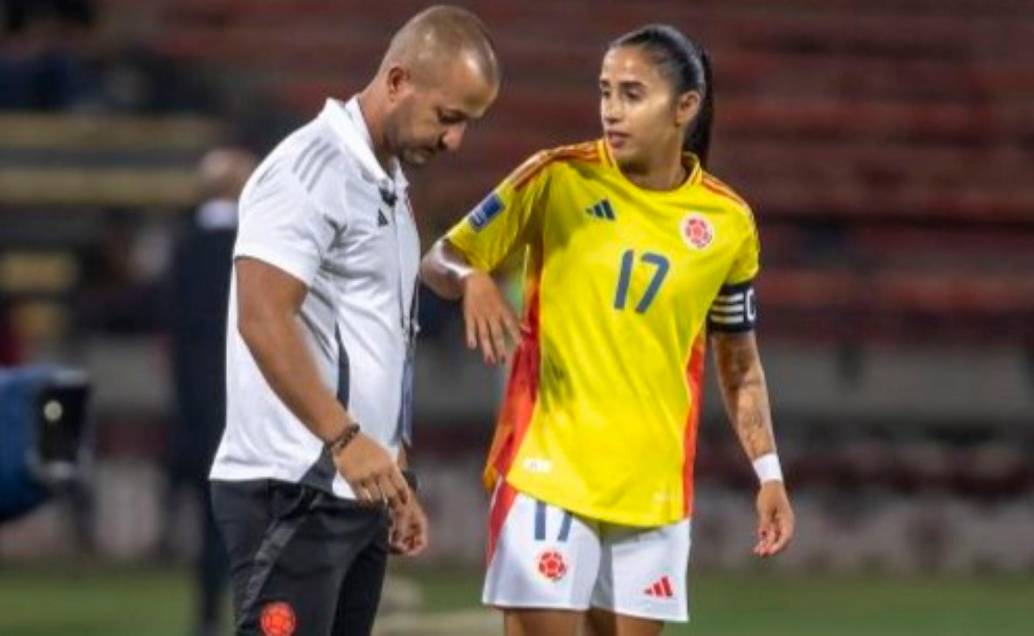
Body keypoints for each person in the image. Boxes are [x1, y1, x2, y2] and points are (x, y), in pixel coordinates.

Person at [421, 24, 795, 636]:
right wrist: (473, 279)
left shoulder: (727, 222)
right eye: (604, 92)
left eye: (631, 94)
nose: (611, 112)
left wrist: (770, 475)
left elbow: (740, 362)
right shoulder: (557, 178)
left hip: (653, 490)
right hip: (548, 471)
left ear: (685, 108)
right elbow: (441, 257)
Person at [207, 6, 500, 635]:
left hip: (350, 486)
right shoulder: (308, 170)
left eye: (468, 124)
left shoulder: (386, 186)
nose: (456, 141)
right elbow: (262, 317)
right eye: (449, 117)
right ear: (398, 81)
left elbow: (374, 341)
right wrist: (344, 439)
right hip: (294, 488)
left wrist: (391, 470)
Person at [167, 147, 256, 636]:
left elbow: (172, 329)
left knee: (210, 520)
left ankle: (205, 617)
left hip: (197, 407)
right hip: (254, 399)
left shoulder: (183, 246)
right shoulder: (257, 240)